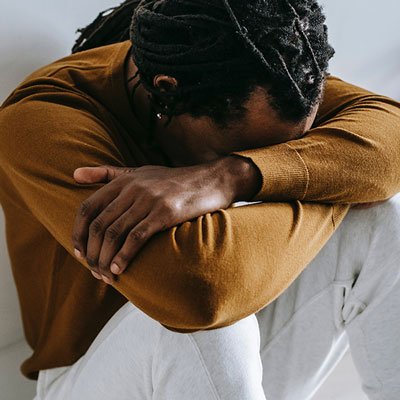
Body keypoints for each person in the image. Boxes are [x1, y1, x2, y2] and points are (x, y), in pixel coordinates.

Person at [0, 0, 399, 399]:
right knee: (202, 332)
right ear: (166, 91)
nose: (278, 155)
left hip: (236, 370)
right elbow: (197, 288)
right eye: (247, 150)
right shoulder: (42, 118)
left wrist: (232, 175)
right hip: (96, 378)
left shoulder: (268, 77)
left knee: (381, 222)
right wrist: (339, 183)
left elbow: (392, 138)